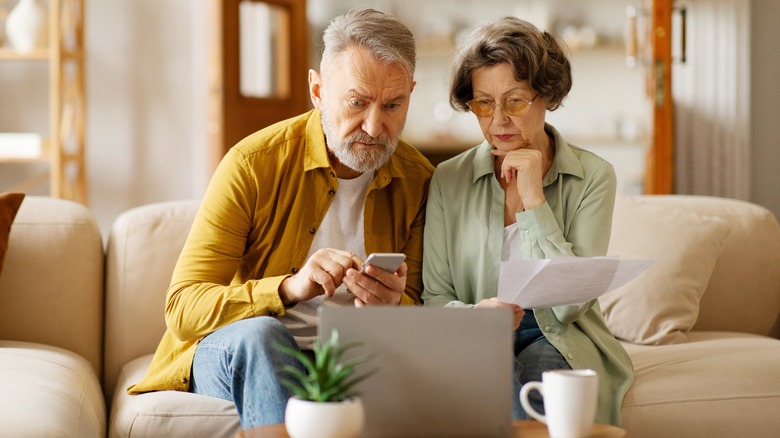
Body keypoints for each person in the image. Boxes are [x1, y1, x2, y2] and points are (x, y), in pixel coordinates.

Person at [128, 8, 434, 429]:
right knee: (263, 336)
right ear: (318, 90)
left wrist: (393, 304)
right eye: (357, 102)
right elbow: (183, 308)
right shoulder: (253, 163)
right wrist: (288, 288)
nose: (374, 125)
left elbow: (422, 309)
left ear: (410, 94)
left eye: (393, 105)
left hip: (348, 358)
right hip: (246, 348)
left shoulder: (419, 180)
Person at [421, 16, 633, 425]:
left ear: (548, 96)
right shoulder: (448, 179)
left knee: (536, 404)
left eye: (515, 100)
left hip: (556, 335)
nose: (498, 119)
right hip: (478, 331)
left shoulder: (594, 176)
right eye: (482, 103)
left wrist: (535, 202)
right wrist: (477, 316)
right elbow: (435, 296)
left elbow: (572, 305)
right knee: (487, 375)